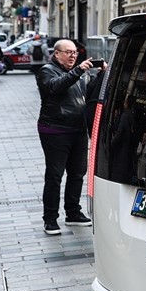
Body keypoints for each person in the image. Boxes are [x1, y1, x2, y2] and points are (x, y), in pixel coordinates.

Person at [36, 39, 95, 235]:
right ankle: (50, 219)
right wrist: (78, 71)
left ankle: (73, 212)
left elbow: (89, 93)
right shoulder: (47, 70)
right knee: (54, 176)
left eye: (75, 52)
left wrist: (103, 73)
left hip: (78, 130)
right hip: (55, 129)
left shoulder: (79, 73)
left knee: (78, 173)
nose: (73, 56)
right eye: (68, 52)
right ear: (57, 54)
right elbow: (55, 87)